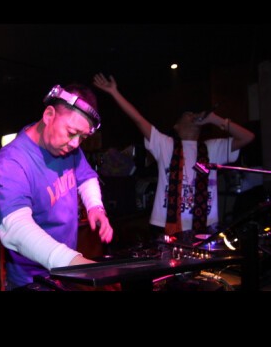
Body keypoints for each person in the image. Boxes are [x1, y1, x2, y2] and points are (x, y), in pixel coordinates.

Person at [93, 73, 255, 236]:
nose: (192, 115)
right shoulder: (166, 144)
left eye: (193, 113)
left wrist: (215, 119)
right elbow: (138, 120)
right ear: (177, 126)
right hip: (165, 226)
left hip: (205, 227)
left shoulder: (211, 148)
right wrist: (114, 92)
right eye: (188, 114)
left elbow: (248, 137)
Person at [0, 83, 113, 290]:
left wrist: (95, 206)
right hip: (32, 281)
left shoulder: (66, 147)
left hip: (65, 271)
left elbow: (86, 177)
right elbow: (15, 227)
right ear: (49, 115)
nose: (75, 144)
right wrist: (72, 261)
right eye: (71, 132)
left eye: (82, 137)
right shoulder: (13, 160)